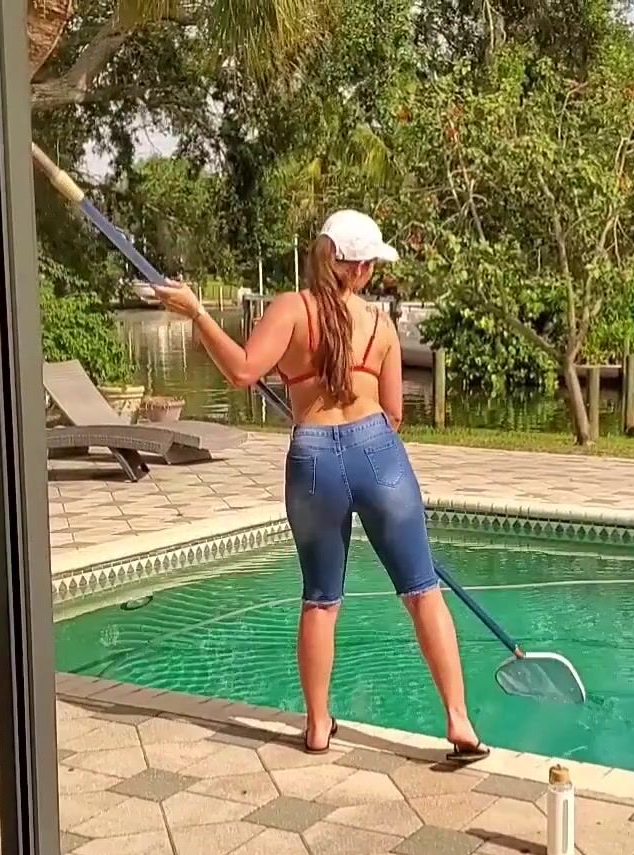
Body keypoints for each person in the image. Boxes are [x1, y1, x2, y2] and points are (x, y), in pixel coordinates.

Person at [151, 210, 489, 763]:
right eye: (371, 264)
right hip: (379, 454)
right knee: (422, 591)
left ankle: (316, 725)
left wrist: (198, 313)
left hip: (313, 461)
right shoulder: (379, 324)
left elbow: (242, 372)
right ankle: (458, 719)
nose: (373, 273)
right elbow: (395, 412)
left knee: (321, 599)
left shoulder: (291, 309)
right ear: (358, 267)